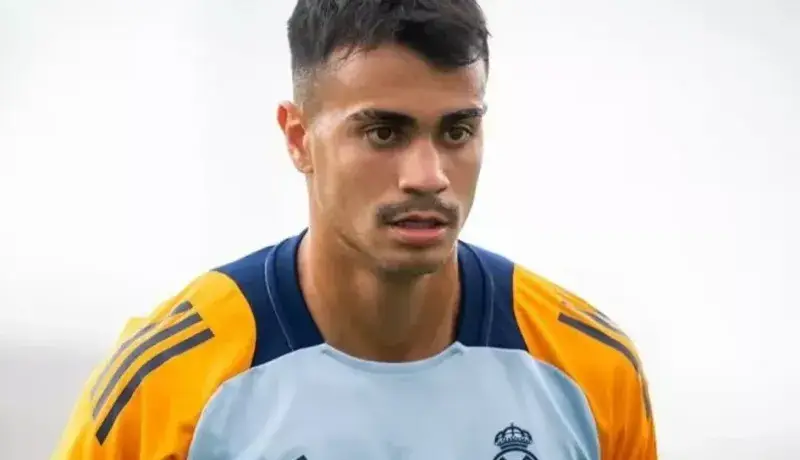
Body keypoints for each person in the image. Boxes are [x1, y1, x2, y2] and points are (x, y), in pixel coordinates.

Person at [54, 0, 657, 459]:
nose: (428, 176)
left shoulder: (590, 368)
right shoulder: (168, 382)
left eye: (457, 131)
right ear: (298, 138)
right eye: (383, 133)